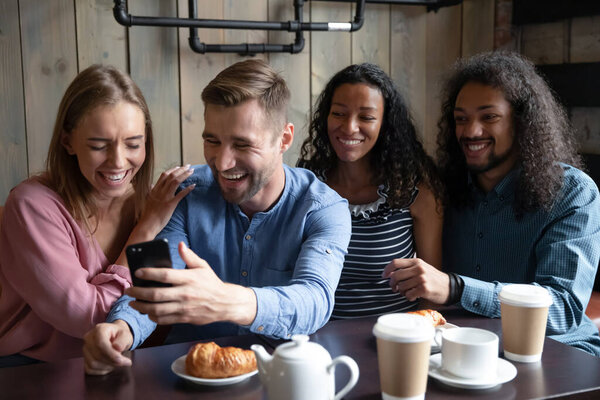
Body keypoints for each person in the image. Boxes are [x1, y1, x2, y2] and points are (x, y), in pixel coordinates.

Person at [82, 59, 351, 375]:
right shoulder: (185, 190)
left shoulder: (324, 208)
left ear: (284, 139)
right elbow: (155, 284)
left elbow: (315, 300)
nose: (222, 162)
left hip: (284, 378)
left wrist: (226, 300)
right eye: (212, 140)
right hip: (189, 378)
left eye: (242, 144)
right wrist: (121, 329)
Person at [382, 51, 600, 355]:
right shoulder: (440, 188)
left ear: (522, 122)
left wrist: (457, 288)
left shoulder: (573, 193)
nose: (471, 131)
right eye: (461, 119)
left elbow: (562, 310)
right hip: (464, 347)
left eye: (489, 117)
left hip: (555, 351)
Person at [0, 65, 194, 367]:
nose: (118, 161)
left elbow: (151, 308)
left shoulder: (153, 202)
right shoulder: (31, 205)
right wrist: (144, 232)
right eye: (98, 146)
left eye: (133, 144)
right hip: (32, 367)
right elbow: (88, 319)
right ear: (68, 142)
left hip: (126, 362)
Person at [297, 63, 443, 318]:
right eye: (339, 113)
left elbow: (433, 292)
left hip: (394, 340)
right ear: (325, 117)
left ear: (385, 124)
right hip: (318, 342)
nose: (349, 127)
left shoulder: (416, 191)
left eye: (365, 117)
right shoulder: (307, 185)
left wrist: (409, 341)